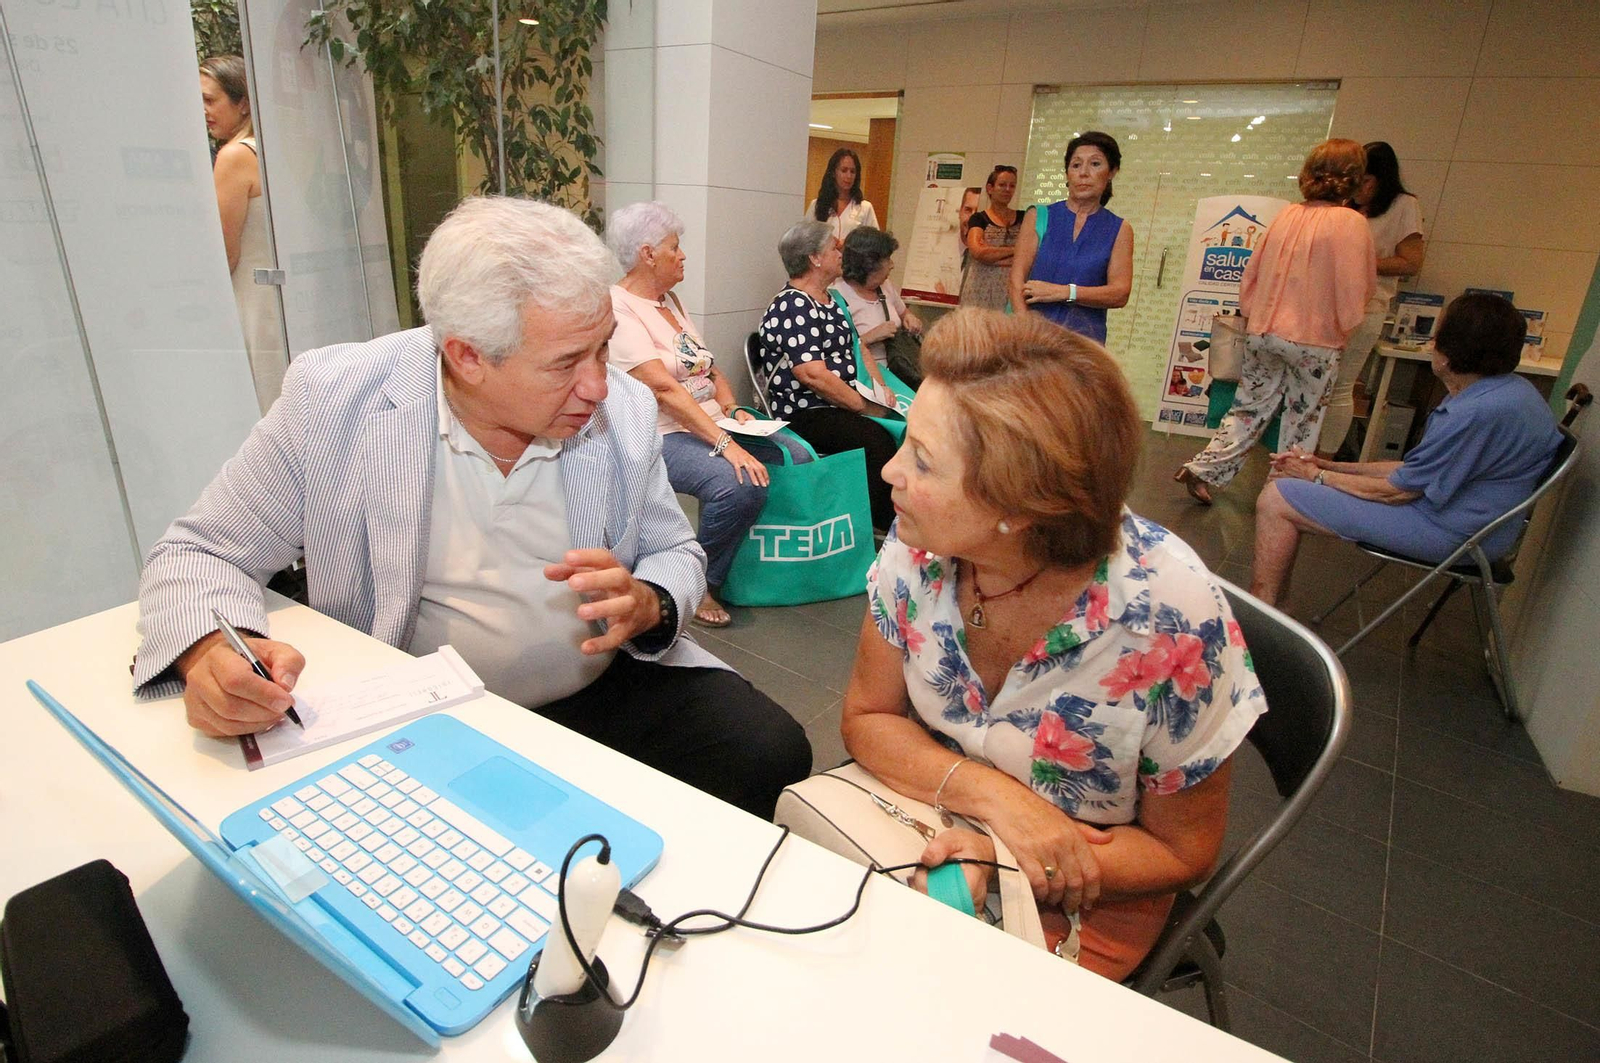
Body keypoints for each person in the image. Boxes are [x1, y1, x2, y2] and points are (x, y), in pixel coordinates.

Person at [132, 196, 811, 820]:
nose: (600, 385)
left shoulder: (624, 410)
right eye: (567, 361)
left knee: (768, 749)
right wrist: (212, 653)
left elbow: (675, 549)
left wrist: (649, 601)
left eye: (604, 347)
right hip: (422, 713)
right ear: (466, 356)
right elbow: (199, 550)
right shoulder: (336, 400)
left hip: (598, 686)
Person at [842, 308, 1266, 980]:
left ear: (1019, 505)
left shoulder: (1170, 617)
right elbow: (869, 717)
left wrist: (1002, 858)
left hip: (1082, 894)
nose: (892, 471)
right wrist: (994, 799)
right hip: (918, 817)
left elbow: (1184, 851)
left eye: (921, 459)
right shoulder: (919, 544)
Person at [1251, 293, 1560, 606]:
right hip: (1479, 527)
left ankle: (1262, 609)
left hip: (1454, 533)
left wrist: (1315, 476)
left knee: (1277, 498)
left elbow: (1397, 492)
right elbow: (1411, 472)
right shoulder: (1509, 393)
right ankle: (1273, 608)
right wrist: (1325, 466)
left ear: (1449, 352)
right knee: (1286, 485)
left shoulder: (1474, 413)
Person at [605, 201, 811, 629]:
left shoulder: (671, 301)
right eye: (675, 248)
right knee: (738, 484)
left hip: (714, 420)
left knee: (797, 455)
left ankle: (755, 568)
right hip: (666, 431)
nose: (683, 257)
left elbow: (708, 366)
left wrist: (734, 407)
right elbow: (663, 389)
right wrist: (725, 443)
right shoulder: (618, 308)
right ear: (648, 254)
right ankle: (700, 582)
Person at [1176, 139, 1375, 504]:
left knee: (1248, 407)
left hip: (1264, 330)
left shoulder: (1286, 215)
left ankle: (1204, 468)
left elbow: (1251, 275)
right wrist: (1348, 324)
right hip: (1316, 339)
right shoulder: (1352, 223)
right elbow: (1355, 287)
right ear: (1354, 178)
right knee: (1303, 417)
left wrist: (1255, 316)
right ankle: (1283, 491)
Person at [759, 221, 899, 530]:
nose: (841, 253)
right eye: (834, 248)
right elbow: (813, 376)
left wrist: (880, 388)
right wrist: (865, 407)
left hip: (842, 400)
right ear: (814, 258)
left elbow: (857, 344)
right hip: (805, 410)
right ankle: (884, 528)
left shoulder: (833, 299)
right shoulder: (793, 305)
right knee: (876, 439)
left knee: (903, 425)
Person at [1318, 141, 1427, 458]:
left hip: (1367, 308)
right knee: (1314, 386)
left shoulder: (1404, 206)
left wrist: (1360, 261)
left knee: (1340, 386)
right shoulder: (1343, 205)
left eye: (1365, 181)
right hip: (1326, 307)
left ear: (1383, 179)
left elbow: (1411, 262)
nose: (1358, 188)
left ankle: (1323, 459)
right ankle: (1298, 453)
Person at [201, 55, 287, 414]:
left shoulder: (234, 155)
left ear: (243, 103)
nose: (203, 111)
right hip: (277, 300)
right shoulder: (272, 151)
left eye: (209, 100)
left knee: (260, 405)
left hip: (248, 300)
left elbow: (226, 252)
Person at [1009, 132, 1134, 343]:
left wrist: (1065, 292)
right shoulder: (1039, 216)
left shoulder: (1119, 228)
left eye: (1095, 164)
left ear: (1112, 172)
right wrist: (1026, 330)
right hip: (1030, 336)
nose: (1083, 173)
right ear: (1067, 173)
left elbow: (1120, 293)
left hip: (1084, 342)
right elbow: (1015, 281)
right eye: (1076, 165)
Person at [830, 226, 923, 371]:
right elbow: (832, 352)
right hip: (863, 376)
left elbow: (904, 313)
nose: (892, 265)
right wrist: (869, 337)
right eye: (888, 259)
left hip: (899, 372)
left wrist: (910, 319)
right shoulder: (836, 296)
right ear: (869, 264)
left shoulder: (886, 286)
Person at [962, 165, 1021, 311]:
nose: (1007, 190)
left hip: (1010, 292)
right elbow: (979, 253)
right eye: (1002, 185)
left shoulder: (1024, 217)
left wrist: (993, 254)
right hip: (979, 291)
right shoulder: (978, 219)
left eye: (1012, 186)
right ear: (990, 188)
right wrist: (1017, 250)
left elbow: (1031, 255)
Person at [805, 147, 879, 242]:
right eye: (844, 170)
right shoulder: (816, 205)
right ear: (833, 173)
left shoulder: (865, 207)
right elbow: (804, 240)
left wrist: (850, 243)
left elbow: (875, 242)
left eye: (852, 172)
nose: (848, 176)